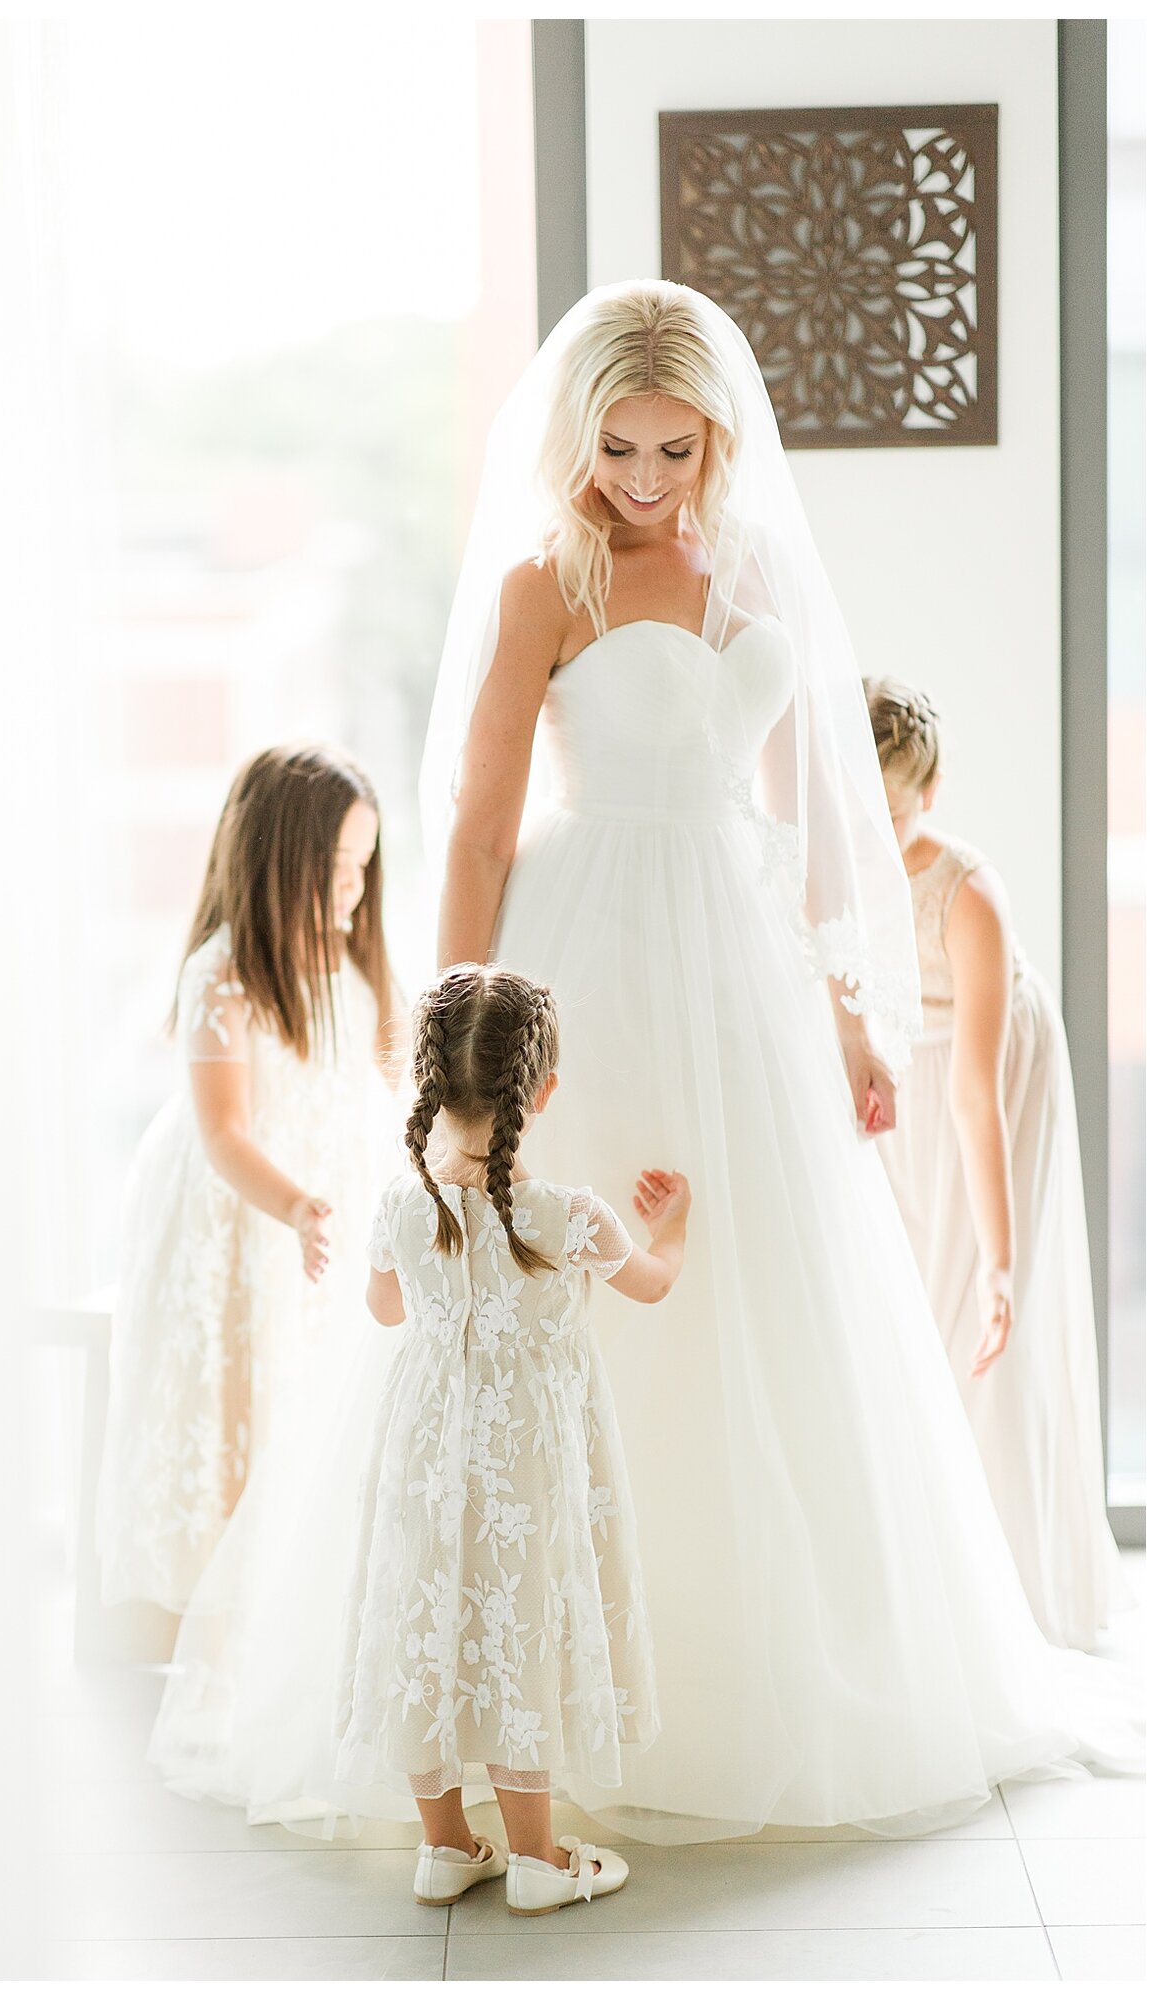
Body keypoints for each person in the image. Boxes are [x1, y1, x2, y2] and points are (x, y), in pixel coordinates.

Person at [421, 277, 1141, 1842]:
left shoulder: (750, 561)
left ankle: (776, 1661)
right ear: (577, 430)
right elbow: (478, 827)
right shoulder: (549, 581)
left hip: (736, 957)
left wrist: (843, 1011)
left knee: (770, 1285)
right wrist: (456, 1043)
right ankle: (552, 1693)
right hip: (588, 944)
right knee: (586, 1292)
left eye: (672, 449)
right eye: (616, 444)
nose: (641, 478)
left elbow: (788, 823)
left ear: (716, 438)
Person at [336, 964, 689, 1914]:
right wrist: (677, 1227)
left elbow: (382, 1308)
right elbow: (652, 1283)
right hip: (528, 1456)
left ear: (427, 1084)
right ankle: (536, 1859)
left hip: (426, 1450)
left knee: (428, 1619)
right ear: (543, 1090)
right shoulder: (568, 1213)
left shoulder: (404, 1206)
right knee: (517, 1617)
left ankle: (446, 1845)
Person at [96, 742, 401, 1613]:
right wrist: (294, 1204)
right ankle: (230, 1614)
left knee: (318, 1398)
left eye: (363, 868)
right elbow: (223, 1131)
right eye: (336, 866)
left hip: (328, 1206)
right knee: (243, 1400)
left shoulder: (352, 967)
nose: (352, 889)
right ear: (279, 859)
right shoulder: (223, 973)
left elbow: (383, 1086)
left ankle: (304, 1606)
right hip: (242, 1211)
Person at [865, 678, 1131, 1651]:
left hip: (993, 1086)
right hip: (909, 1076)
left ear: (926, 794)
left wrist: (999, 1259)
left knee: (980, 1323)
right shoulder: (839, 864)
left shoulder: (964, 893)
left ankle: (1013, 1588)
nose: (876, 828)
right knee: (910, 1319)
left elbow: (975, 1089)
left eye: (892, 811)